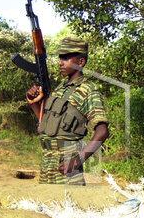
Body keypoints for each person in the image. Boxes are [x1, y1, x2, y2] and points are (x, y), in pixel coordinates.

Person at [26, 37, 109, 185]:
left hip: (67, 166)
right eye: (60, 58)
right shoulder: (60, 89)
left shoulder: (88, 90)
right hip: (47, 164)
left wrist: (78, 160)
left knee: (68, 206)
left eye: (66, 58)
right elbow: (45, 125)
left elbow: (102, 131)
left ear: (81, 62)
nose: (60, 62)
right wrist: (34, 103)